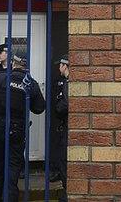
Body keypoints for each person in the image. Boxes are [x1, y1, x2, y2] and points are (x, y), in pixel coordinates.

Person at [0, 54, 45, 202]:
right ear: (26, 66)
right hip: (18, 130)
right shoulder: (30, 84)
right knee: (14, 164)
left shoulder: (0, 78)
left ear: (13, 64)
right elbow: (40, 108)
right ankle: (10, 196)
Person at [48, 56, 69, 198]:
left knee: (64, 160)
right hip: (65, 125)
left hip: (67, 126)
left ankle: (67, 192)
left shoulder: (68, 83)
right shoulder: (65, 82)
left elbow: (64, 106)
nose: (58, 68)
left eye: (60, 65)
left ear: (65, 66)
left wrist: (57, 108)